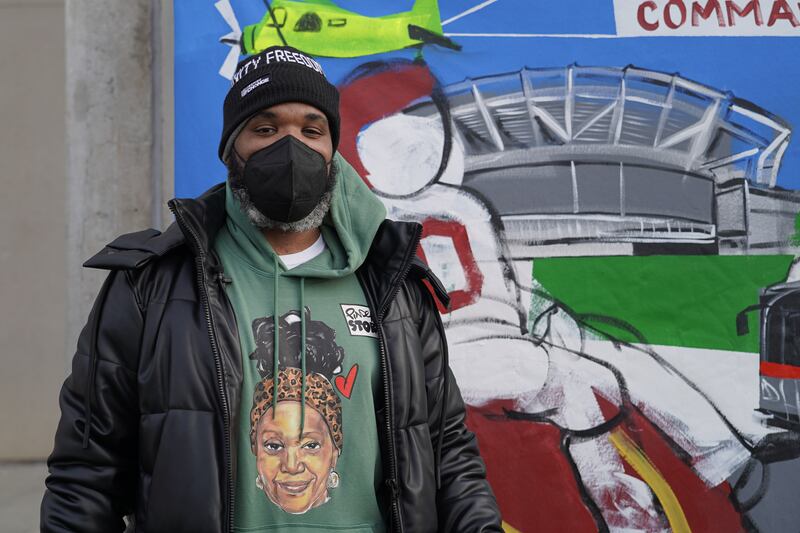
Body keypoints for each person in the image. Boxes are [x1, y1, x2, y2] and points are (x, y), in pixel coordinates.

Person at [41, 45, 501, 532]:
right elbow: (86, 477)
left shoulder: (394, 288)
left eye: (311, 130)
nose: (291, 146)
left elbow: (450, 458)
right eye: (265, 129)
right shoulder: (149, 287)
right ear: (230, 150)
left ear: (331, 151)